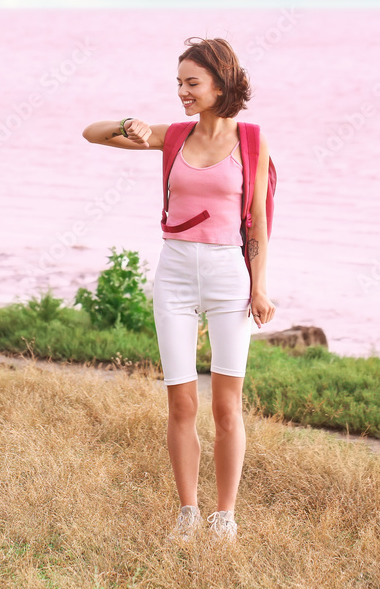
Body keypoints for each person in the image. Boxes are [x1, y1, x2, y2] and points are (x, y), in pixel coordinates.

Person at [81, 37, 275, 544]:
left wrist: (259, 287)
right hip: (174, 275)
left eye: (193, 83)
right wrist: (127, 125)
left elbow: (256, 223)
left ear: (220, 84)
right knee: (181, 404)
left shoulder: (252, 141)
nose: (183, 92)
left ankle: (224, 517)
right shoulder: (172, 135)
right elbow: (91, 134)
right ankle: (188, 512)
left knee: (226, 406)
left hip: (229, 277)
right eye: (179, 84)